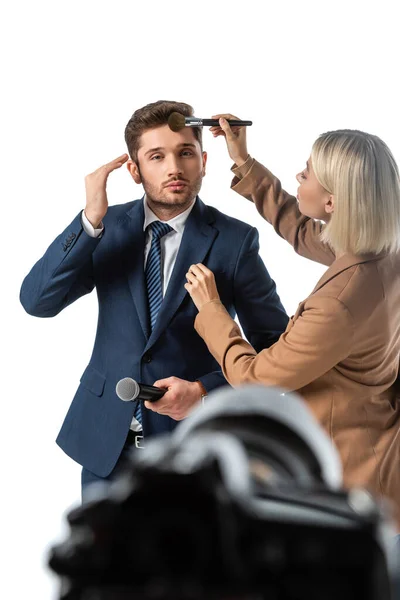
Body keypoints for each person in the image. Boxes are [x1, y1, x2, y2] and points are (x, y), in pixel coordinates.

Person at [19, 101, 288, 495]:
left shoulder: (234, 241)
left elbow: (278, 353)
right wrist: (90, 221)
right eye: (156, 156)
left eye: (185, 153)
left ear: (203, 160)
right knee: (103, 557)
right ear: (134, 169)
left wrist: (203, 391)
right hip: (106, 442)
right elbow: (37, 300)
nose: (174, 168)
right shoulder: (106, 228)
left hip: (193, 447)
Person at [185, 115, 400, 527]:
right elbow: (302, 230)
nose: (298, 176)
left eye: (307, 172)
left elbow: (255, 379)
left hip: (350, 479)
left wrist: (211, 310)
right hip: (383, 452)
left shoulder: (340, 303)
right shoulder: (382, 251)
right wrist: (243, 161)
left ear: (333, 203)